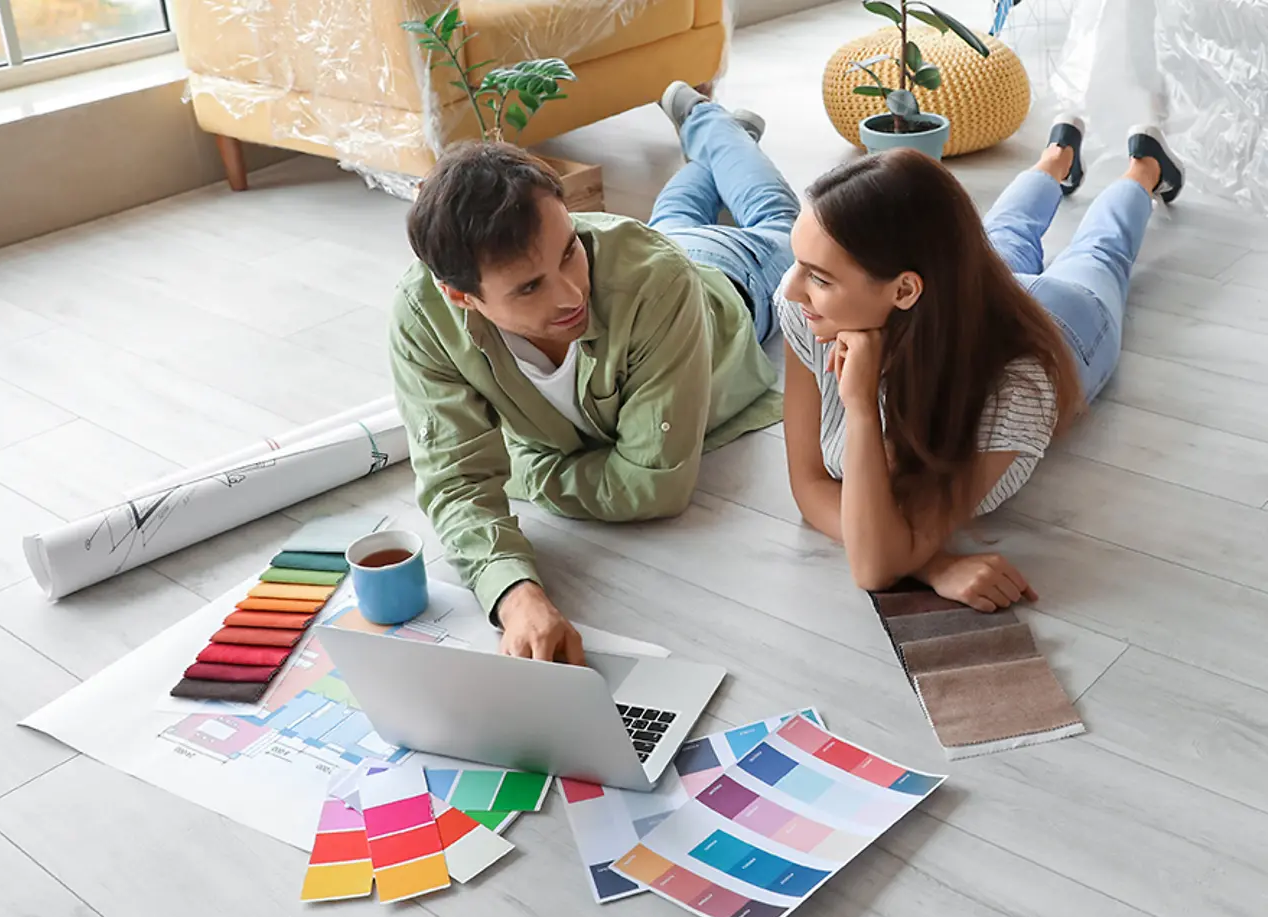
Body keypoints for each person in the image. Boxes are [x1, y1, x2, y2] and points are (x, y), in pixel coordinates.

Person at [390, 82, 802, 663]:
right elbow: (457, 483)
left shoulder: (656, 281)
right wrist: (515, 594)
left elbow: (656, 486)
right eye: (530, 286)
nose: (569, 294)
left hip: (729, 282)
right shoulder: (423, 317)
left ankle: (710, 121)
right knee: (675, 215)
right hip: (662, 252)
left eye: (569, 249)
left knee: (778, 221)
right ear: (461, 297)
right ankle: (722, 139)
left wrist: (527, 469)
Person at [776, 116, 1186, 612]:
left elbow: (874, 566)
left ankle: (1143, 168)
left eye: (818, 277)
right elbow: (812, 485)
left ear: (905, 289)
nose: (793, 288)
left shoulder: (1016, 389)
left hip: (1062, 321)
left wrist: (861, 405)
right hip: (955, 305)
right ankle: (1057, 157)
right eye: (800, 264)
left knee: (1100, 252)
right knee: (1003, 232)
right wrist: (932, 562)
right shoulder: (811, 311)